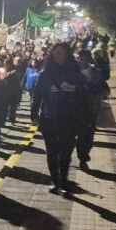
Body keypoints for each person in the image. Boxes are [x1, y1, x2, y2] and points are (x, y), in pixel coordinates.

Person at [30, 43, 90, 196]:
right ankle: (55, 181)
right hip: (50, 117)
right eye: (56, 53)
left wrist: (72, 92)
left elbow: (83, 96)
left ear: (68, 55)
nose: (59, 56)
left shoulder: (75, 74)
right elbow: (37, 95)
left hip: (69, 118)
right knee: (51, 152)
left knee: (65, 152)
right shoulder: (45, 74)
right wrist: (34, 113)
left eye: (62, 53)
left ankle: (63, 180)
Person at [75, 49, 108, 170]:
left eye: (83, 58)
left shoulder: (95, 71)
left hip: (90, 107)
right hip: (74, 108)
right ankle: (80, 154)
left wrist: (94, 89)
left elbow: (102, 85)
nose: (80, 60)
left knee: (87, 136)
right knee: (73, 135)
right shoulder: (71, 71)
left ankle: (83, 157)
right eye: (79, 58)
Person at [3, 58, 25, 124]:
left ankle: (12, 119)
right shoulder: (3, 70)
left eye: (7, 64)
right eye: (5, 64)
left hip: (13, 91)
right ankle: (3, 120)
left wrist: (11, 73)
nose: (5, 65)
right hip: (5, 90)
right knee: (4, 106)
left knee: (12, 106)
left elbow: (17, 71)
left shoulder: (15, 70)